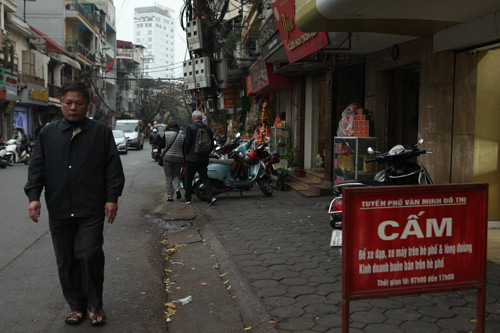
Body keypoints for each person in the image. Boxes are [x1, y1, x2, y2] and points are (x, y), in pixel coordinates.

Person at [24, 80, 125, 327]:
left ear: (87, 105)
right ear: (61, 104)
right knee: (66, 259)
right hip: (59, 207)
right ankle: (76, 306)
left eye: (78, 103)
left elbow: (113, 168)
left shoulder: (100, 132)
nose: (73, 108)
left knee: (89, 253)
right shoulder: (47, 133)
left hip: (91, 206)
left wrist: (112, 198)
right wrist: (34, 197)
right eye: (68, 103)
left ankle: (94, 304)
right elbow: (36, 168)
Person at [183, 110, 216, 205]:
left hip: (191, 158)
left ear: (193, 118)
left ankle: (188, 198)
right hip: (203, 158)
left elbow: (187, 143)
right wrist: (206, 153)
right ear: (201, 118)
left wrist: (186, 153)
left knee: (189, 178)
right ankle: (211, 197)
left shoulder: (191, 128)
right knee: (205, 177)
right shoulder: (208, 128)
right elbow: (211, 144)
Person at [161, 120, 185, 201]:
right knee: (176, 175)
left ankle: (170, 196)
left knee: (168, 176)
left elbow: (161, 145)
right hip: (178, 158)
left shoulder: (166, 134)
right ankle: (177, 189)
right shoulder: (182, 135)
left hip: (167, 158)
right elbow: (184, 147)